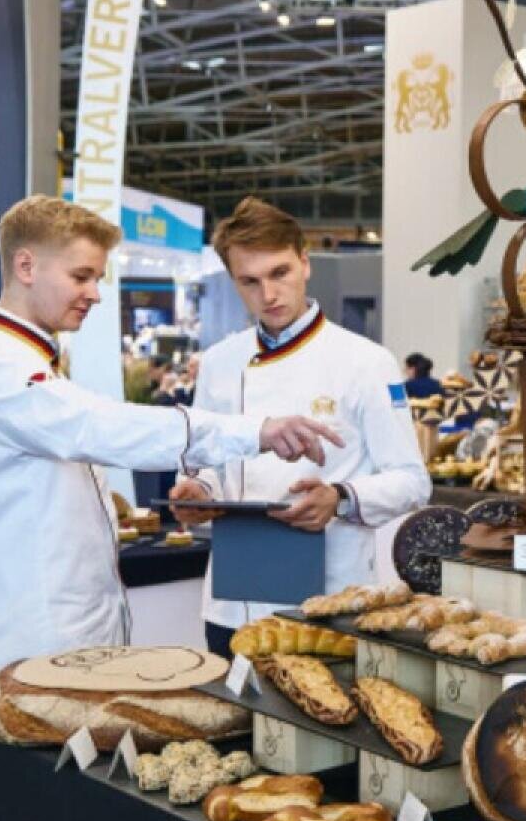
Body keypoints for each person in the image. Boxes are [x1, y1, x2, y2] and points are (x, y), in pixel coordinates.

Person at [0, 195, 339, 677]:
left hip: (67, 631)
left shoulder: (27, 359)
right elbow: (104, 428)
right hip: (36, 636)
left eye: (96, 278)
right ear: (26, 266)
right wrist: (255, 432)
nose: (94, 293)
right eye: (81, 276)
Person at [169, 197, 431, 657]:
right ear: (233, 282)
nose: (268, 295)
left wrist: (341, 497)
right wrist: (197, 492)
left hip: (328, 602)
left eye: (279, 273)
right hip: (232, 603)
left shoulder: (367, 362)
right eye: (249, 281)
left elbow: (413, 481)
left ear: (305, 264)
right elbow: (205, 465)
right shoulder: (218, 363)